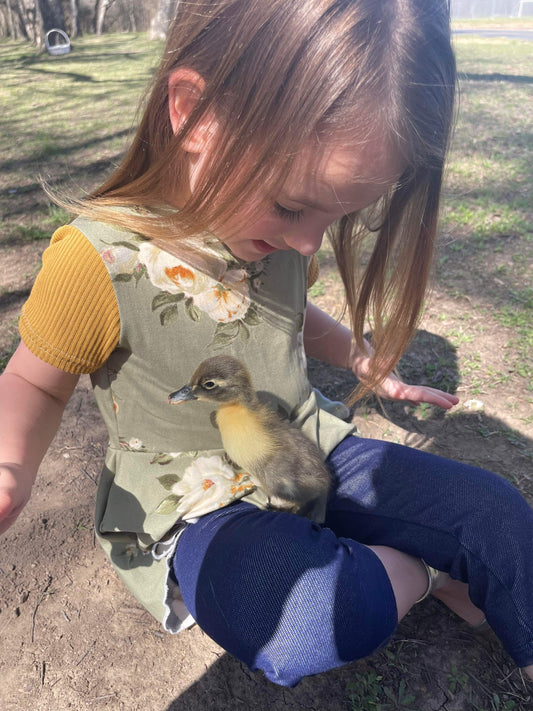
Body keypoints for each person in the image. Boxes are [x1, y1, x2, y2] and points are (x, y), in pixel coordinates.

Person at [0, 0, 532, 689]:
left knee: (494, 508)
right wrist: (12, 463)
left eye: (334, 217)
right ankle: (421, 571)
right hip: (198, 501)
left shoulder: (277, 235)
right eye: (290, 207)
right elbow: (35, 382)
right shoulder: (96, 263)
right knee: (306, 613)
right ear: (194, 113)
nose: (307, 243)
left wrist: (358, 355)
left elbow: (287, 312)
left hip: (304, 444)